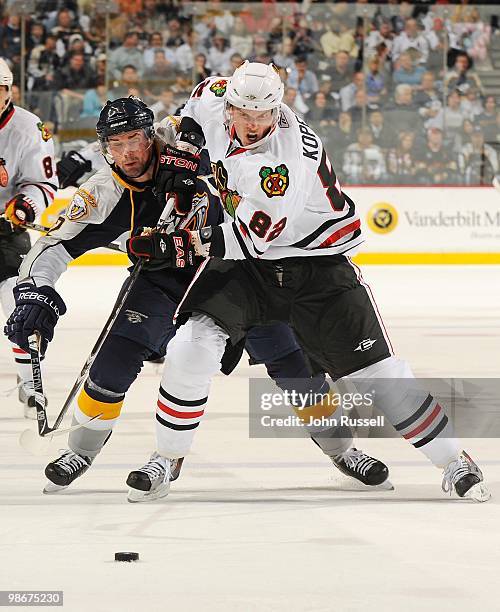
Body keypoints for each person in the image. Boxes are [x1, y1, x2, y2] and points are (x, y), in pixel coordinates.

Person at [126, 61, 490, 503]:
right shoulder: (216, 93)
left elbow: (253, 239)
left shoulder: (287, 160)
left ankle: (454, 460)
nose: (254, 125)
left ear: (279, 108)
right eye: (244, 113)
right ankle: (167, 457)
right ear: (232, 104)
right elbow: (191, 112)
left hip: (312, 265)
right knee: (191, 346)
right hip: (250, 271)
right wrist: (187, 143)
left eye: (264, 115)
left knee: (378, 375)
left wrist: (175, 244)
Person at [6, 97, 389, 497]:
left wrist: (192, 140)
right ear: (104, 148)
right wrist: (36, 293)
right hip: (162, 280)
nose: (128, 153)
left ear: (151, 134)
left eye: (134, 139)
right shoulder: (104, 194)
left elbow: (229, 101)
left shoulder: (191, 138)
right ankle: (80, 452)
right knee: (114, 360)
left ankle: (343, 449)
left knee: (293, 361)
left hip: (235, 272)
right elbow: (51, 247)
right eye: (115, 145)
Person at [0, 57, 58, 418]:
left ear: (9, 91)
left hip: (4, 232)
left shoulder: (28, 128)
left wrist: (25, 207)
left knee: (17, 301)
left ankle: (29, 381)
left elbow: (44, 183)